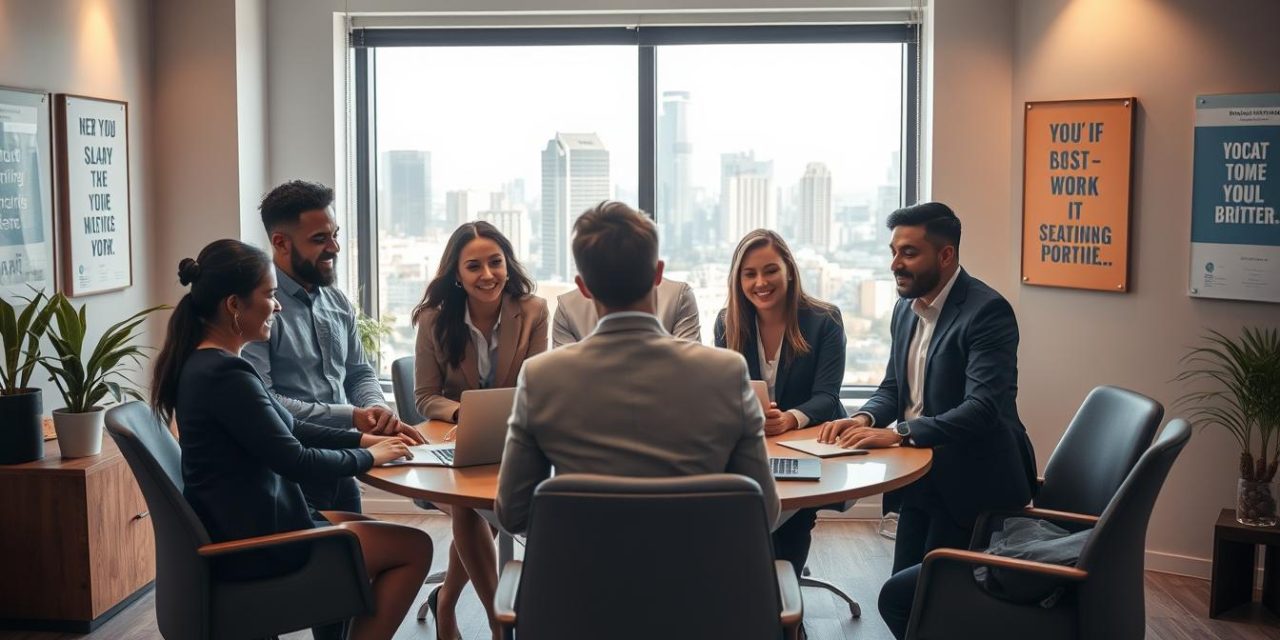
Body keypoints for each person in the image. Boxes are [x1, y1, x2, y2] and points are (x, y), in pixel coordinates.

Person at [150, 239, 432, 640]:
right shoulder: (225, 376)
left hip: (254, 526)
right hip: (261, 544)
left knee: (369, 531)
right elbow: (296, 460)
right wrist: (370, 459)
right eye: (269, 295)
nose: (278, 305)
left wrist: (362, 440)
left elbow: (291, 428)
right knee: (414, 549)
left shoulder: (207, 364)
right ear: (234, 305)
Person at [815, 202, 1037, 640]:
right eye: (894, 251)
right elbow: (896, 389)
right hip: (921, 479)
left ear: (946, 255)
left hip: (975, 485)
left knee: (922, 603)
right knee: (909, 601)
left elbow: (982, 409)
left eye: (909, 253)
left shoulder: (987, 312)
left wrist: (896, 432)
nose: (895, 263)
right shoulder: (906, 308)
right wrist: (863, 416)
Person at [496, 200, 780, 537]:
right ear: (658, 274)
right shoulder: (728, 372)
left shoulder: (540, 376)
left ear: (584, 286)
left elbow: (513, 514)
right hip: (700, 585)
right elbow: (764, 510)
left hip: (580, 585)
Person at [243, 180, 424, 520]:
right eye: (320, 239)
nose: (335, 247)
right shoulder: (261, 310)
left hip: (343, 462)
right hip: (292, 471)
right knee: (351, 558)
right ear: (280, 242)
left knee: (354, 563)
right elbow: (266, 401)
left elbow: (358, 371)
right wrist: (351, 416)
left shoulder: (337, 301)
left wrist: (373, 407)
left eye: (335, 234)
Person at [413, 221, 548, 640]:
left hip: (513, 445)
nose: (487, 274)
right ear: (457, 273)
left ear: (508, 264)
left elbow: (537, 384)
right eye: (474, 266)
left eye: (496, 262)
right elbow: (425, 397)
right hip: (453, 448)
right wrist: (464, 414)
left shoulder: (532, 312)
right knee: (471, 509)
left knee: (473, 513)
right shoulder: (435, 320)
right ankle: (496, 623)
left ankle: (447, 601)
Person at [714, 229, 847, 579]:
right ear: (738, 279)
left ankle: (786, 614)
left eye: (770, 270)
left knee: (792, 521)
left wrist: (790, 418)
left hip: (810, 444)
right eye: (750, 273)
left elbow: (828, 396)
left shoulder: (824, 320)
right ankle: (757, 598)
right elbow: (725, 393)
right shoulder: (727, 323)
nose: (761, 282)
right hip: (752, 443)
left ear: (788, 268)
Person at [552, 276, 701, 347]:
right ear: (658, 271)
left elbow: (567, 386)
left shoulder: (536, 373)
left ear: (582, 285)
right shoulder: (678, 295)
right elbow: (687, 373)